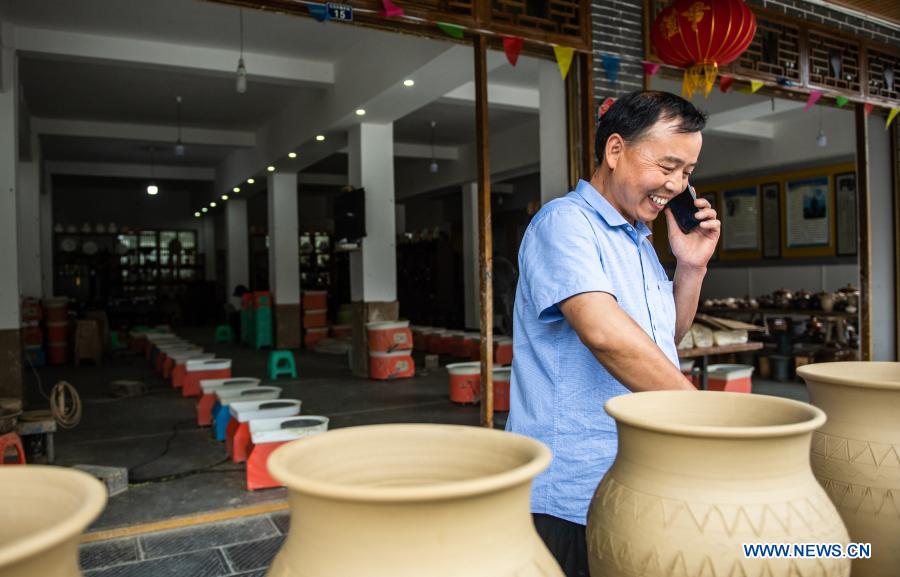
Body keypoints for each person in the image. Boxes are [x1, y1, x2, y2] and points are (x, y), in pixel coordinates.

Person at [507, 91, 720, 577]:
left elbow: (665, 338)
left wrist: (690, 269)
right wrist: (705, 418)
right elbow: (604, 333)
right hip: (573, 487)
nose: (675, 185)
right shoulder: (565, 223)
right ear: (615, 150)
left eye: (687, 173)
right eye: (667, 165)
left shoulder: (640, 240)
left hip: (632, 476)